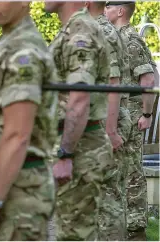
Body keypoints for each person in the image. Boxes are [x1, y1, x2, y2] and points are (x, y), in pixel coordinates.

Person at [0, 1, 59, 240]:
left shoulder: (23, 52)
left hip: (19, 190)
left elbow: (18, 134)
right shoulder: (9, 41)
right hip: (11, 181)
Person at [45, 1, 115, 240]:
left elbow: (79, 97)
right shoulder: (72, 28)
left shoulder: (81, 31)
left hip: (80, 148)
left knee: (74, 236)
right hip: (78, 144)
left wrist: (66, 154)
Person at [105, 1, 159, 240]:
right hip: (124, 113)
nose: (104, 10)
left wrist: (147, 115)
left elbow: (148, 80)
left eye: (108, 6)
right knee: (121, 170)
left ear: (120, 10)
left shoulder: (130, 40)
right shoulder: (117, 37)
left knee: (133, 173)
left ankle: (136, 228)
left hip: (134, 114)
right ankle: (123, 224)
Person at [86, 1, 132, 240]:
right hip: (100, 123)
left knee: (108, 200)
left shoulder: (101, 31)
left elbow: (113, 84)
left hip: (105, 123)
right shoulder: (90, 28)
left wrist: (111, 131)